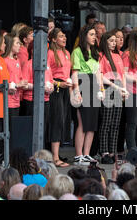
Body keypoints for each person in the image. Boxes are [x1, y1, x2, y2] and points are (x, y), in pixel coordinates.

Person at [71, 24, 102, 166]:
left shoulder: (95, 53)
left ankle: (87, 153)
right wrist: (76, 91)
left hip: (94, 84)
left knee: (92, 123)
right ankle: (78, 155)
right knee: (82, 122)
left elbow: (98, 73)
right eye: (91, 34)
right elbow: (75, 72)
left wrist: (101, 89)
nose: (94, 37)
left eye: (95, 34)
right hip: (83, 83)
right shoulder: (77, 52)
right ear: (84, 36)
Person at [98, 31, 128, 164]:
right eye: (111, 41)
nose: (113, 43)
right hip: (108, 86)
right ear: (105, 42)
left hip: (118, 87)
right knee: (106, 122)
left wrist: (124, 89)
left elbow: (122, 75)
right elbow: (100, 74)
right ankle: (104, 152)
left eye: (115, 41)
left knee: (116, 123)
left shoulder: (118, 56)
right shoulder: (101, 56)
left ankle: (112, 151)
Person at [47, 28, 72, 168]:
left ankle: (57, 153)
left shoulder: (67, 53)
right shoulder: (50, 53)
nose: (64, 38)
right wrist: (58, 83)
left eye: (64, 36)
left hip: (65, 88)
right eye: (61, 36)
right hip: (55, 88)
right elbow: (47, 74)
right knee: (56, 121)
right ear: (54, 39)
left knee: (63, 121)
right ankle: (55, 157)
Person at [2, 34, 27, 118]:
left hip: (16, 100)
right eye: (17, 43)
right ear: (10, 44)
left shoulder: (17, 61)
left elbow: (20, 78)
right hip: (7, 100)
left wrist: (23, 83)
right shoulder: (4, 61)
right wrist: (17, 84)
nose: (20, 45)